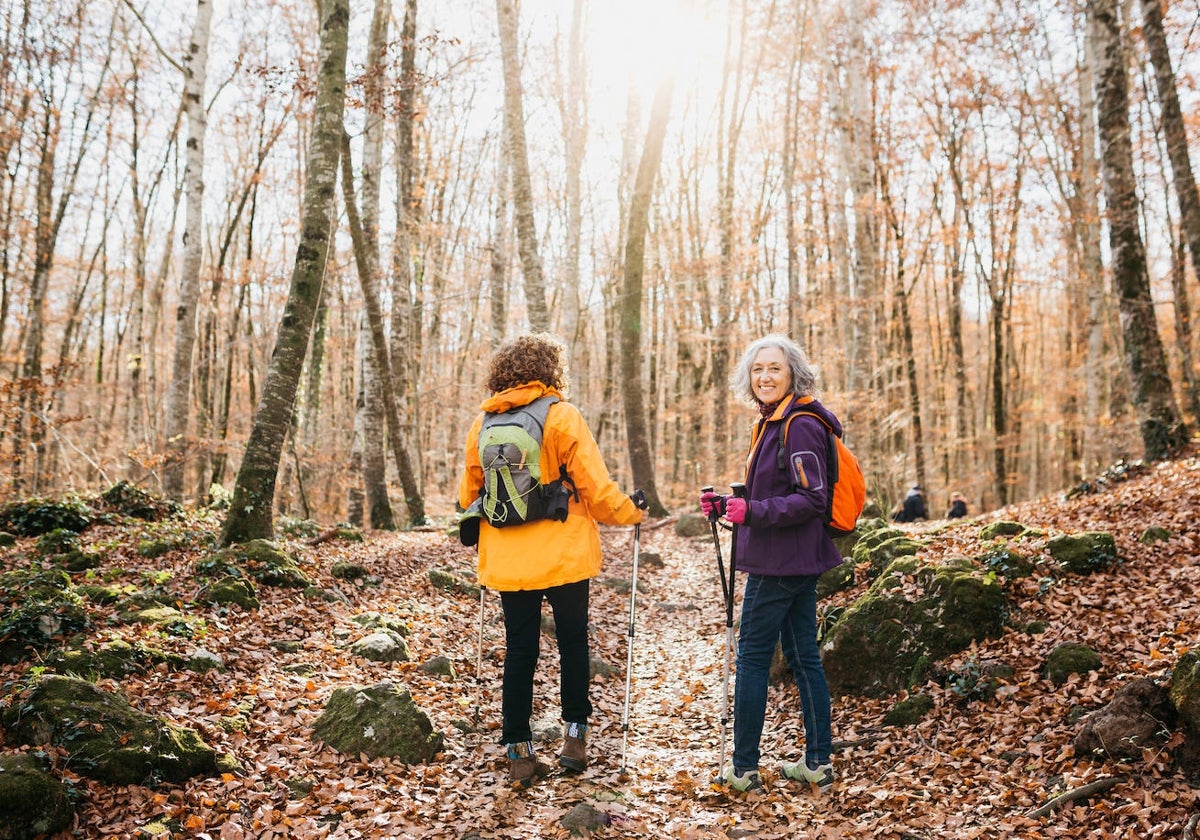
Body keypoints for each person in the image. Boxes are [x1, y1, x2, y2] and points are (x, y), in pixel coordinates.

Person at [458, 334, 646, 790]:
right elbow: (597, 490)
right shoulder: (562, 417)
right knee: (573, 643)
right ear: (550, 370)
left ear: (501, 373)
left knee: (520, 649)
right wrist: (631, 511)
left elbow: (469, 495)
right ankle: (574, 740)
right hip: (563, 553)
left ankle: (518, 750)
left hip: (508, 558)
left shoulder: (483, 423)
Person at [698, 334, 841, 794]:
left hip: (780, 563)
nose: (765, 376)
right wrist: (730, 504)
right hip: (796, 558)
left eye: (774, 368)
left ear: (792, 373)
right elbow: (773, 492)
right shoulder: (775, 421)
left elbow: (811, 499)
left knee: (754, 660)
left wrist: (753, 513)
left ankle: (743, 769)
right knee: (804, 658)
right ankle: (817, 762)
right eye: (758, 369)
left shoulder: (798, 424)